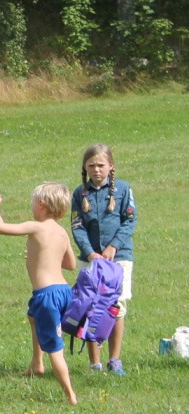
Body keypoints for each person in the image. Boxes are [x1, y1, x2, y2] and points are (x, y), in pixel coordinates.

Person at [0, 184, 78, 405]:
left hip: (46, 295)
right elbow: (71, 264)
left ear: (41, 205)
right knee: (33, 317)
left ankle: (70, 395)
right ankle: (36, 364)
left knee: (55, 348)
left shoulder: (36, 227)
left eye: (32, 202)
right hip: (64, 291)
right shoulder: (61, 232)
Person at [71, 143, 136, 375]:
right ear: (85, 168)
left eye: (101, 165)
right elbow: (77, 226)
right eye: (92, 165)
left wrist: (113, 247)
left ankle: (115, 359)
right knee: (90, 305)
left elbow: (130, 221)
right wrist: (90, 252)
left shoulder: (123, 189)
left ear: (111, 166)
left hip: (119, 259)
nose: (96, 169)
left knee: (115, 306)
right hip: (92, 259)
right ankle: (94, 362)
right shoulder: (80, 193)